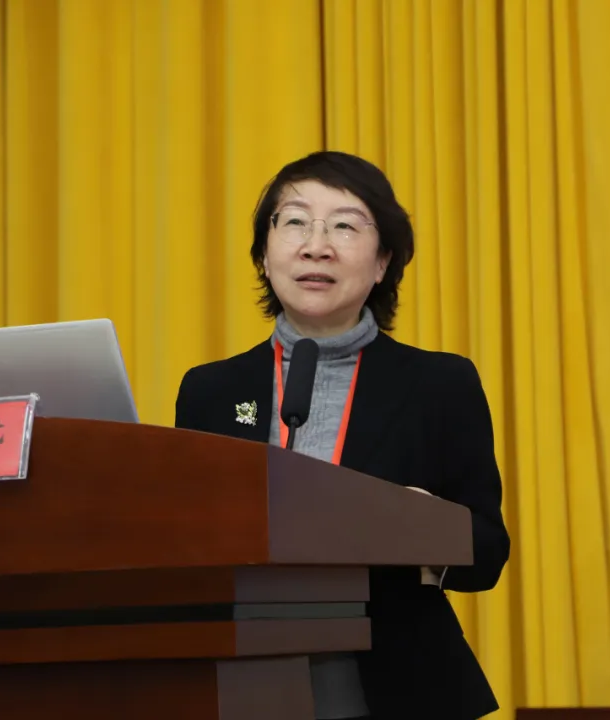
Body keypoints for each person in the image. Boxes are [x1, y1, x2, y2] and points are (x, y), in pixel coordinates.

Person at [174, 151, 510, 719]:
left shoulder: (440, 383)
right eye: (295, 222)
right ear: (264, 254)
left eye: (345, 227)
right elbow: (183, 542)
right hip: (240, 677)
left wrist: (421, 527)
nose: (317, 245)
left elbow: (488, 553)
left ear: (382, 262)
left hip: (391, 683)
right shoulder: (211, 389)